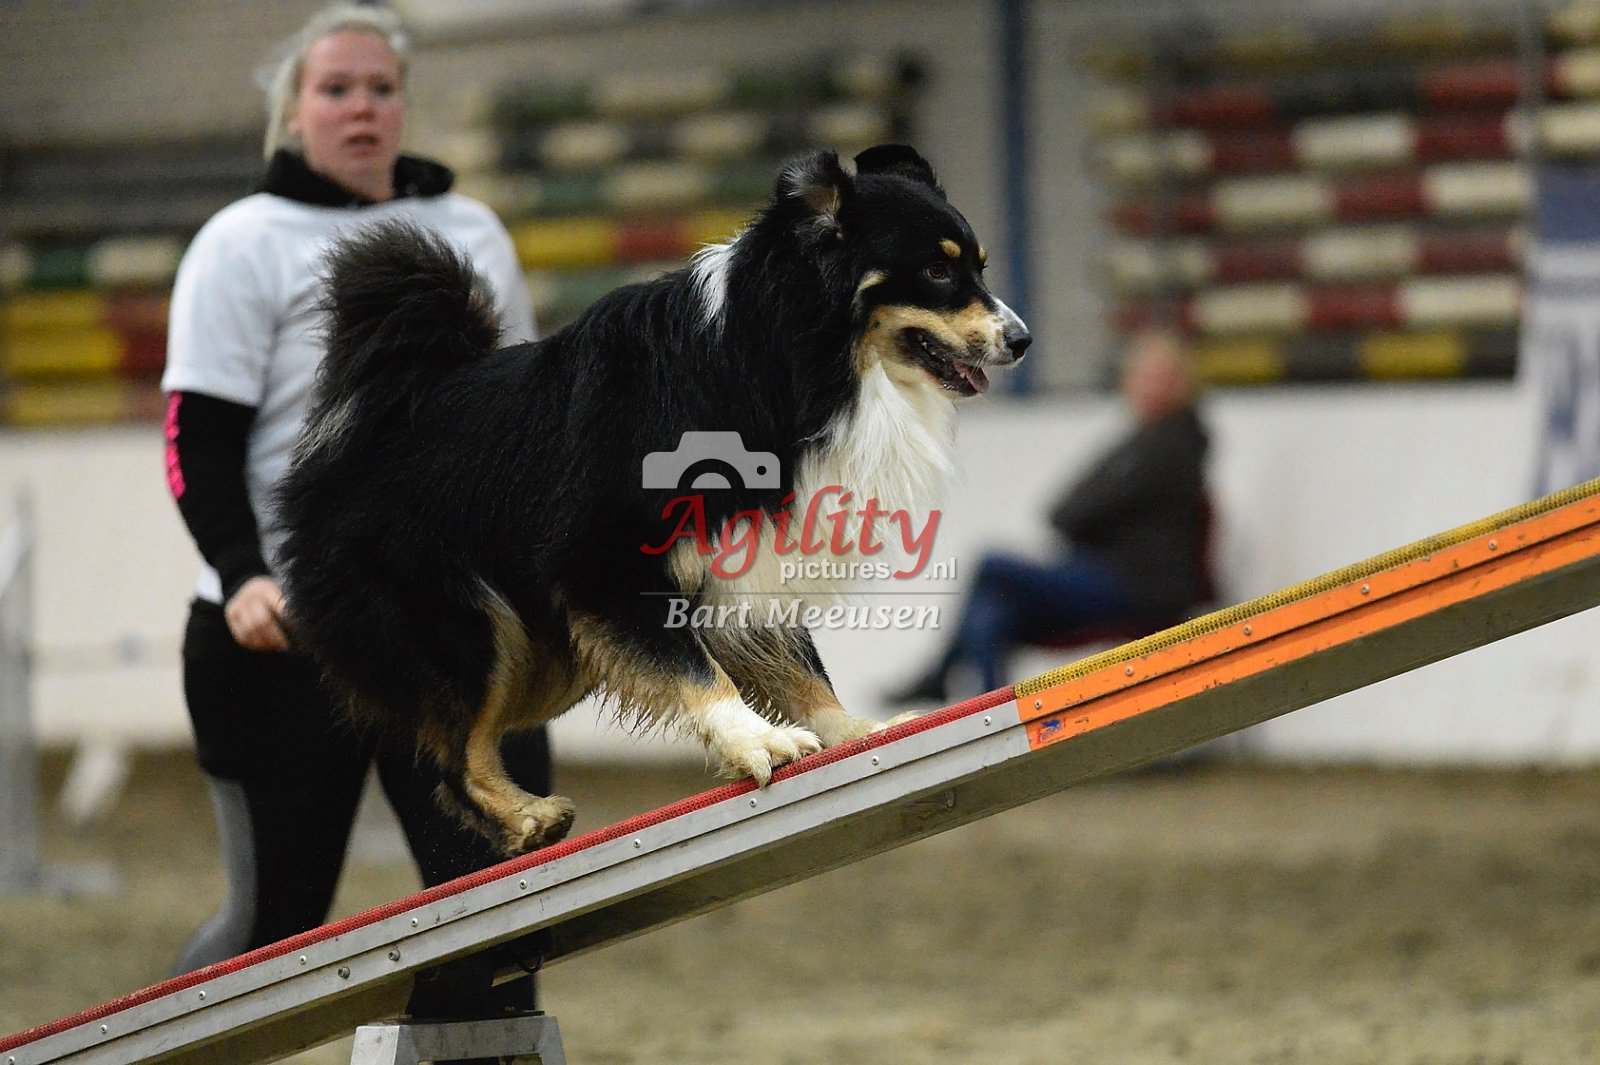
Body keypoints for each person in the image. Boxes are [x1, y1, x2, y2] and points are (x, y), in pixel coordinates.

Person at [160, 3, 551, 1023]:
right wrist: (243, 573)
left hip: (454, 630)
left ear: (404, 106)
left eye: (381, 88)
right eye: (335, 89)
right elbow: (195, 439)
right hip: (286, 631)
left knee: (505, 917)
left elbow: (519, 417)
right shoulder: (241, 243)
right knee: (271, 930)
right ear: (294, 112)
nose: (361, 108)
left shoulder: (471, 232)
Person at [886, 328, 1213, 703]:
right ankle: (995, 712)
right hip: (1104, 574)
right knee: (995, 610)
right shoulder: (1136, 443)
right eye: (1144, 376)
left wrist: (1093, 519)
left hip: (1136, 588)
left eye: (1162, 377)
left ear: (1183, 383)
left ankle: (960, 688)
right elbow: (1064, 510)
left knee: (992, 565)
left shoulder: (1177, 444)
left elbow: (1080, 513)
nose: (1150, 386)